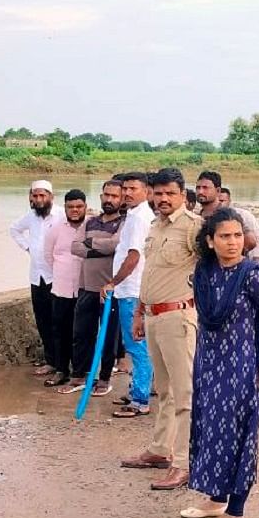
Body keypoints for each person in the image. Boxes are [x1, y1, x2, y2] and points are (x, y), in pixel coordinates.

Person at [177, 209, 259, 518]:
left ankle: (236, 513)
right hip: (209, 365)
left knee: (239, 436)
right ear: (210, 241)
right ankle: (216, 499)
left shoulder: (254, 275)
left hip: (242, 369)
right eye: (225, 236)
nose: (233, 243)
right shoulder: (204, 272)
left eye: (238, 236)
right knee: (210, 429)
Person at [120, 169, 202, 491]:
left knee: (184, 395)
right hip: (153, 317)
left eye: (170, 193)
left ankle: (184, 463)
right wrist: (139, 312)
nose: (163, 199)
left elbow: (212, 267)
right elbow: (149, 274)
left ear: (183, 194)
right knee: (164, 390)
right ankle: (159, 451)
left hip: (179, 319)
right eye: (158, 193)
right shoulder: (154, 226)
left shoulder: (193, 228)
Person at [64, 180, 124, 396]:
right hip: (86, 287)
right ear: (101, 197)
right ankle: (80, 375)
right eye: (106, 195)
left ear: (121, 199)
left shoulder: (123, 223)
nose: (109, 200)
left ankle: (104, 378)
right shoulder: (89, 221)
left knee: (108, 336)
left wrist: (90, 244)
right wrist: (101, 246)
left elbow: (116, 245)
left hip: (110, 289)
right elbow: (74, 247)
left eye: (114, 196)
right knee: (81, 333)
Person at [105, 172, 154, 418]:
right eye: (125, 188)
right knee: (136, 345)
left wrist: (113, 282)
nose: (127, 193)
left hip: (132, 290)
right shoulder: (135, 215)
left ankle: (140, 400)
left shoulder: (139, 218)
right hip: (131, 290)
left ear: (146, 191)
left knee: (137, 346)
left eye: (133, 188)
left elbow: (134, 257)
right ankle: (137, 389)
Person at [9, 180, 58, 377]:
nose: (38, 200)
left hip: (58, 277)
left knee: (61, 322)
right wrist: (28, 247)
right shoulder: (30, 217)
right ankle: (51, 361)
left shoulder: (62, 214)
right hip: (37, 277)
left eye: (42, 195)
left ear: (51, 197)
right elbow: (13, 229)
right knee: (43, 321)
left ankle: (65, 362)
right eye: (35, 196)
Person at [41, 189, 87, 389]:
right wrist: (62, 273)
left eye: (79, 206)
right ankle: (61, 370)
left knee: (83, 334)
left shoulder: (92, 227)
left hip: (85, 290)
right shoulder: (56, 229)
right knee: (60, 332)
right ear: (65, 207)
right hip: (60, 290)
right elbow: (48, 255)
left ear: (85, 206)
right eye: (70, 207)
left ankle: (80, 373)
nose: (75, 210)